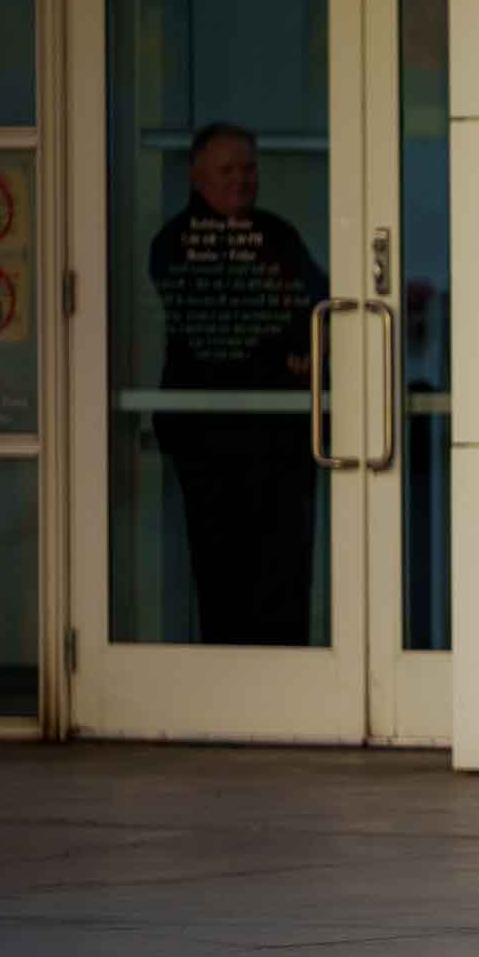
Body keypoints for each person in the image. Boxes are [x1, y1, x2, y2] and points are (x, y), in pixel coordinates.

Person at [150, 123, 328, 645]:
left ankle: (288, 696)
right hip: (213, 441)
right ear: (196, 175)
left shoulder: (278, 234)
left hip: (283, 438)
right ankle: (228, 699)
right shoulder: (179, 242)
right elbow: (218, 327)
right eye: (227, 169)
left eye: (248, 168)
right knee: (223, 573)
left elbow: (319, 307)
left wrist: (307, 348)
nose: (241, 179)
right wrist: (289, 349)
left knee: (287, 575)